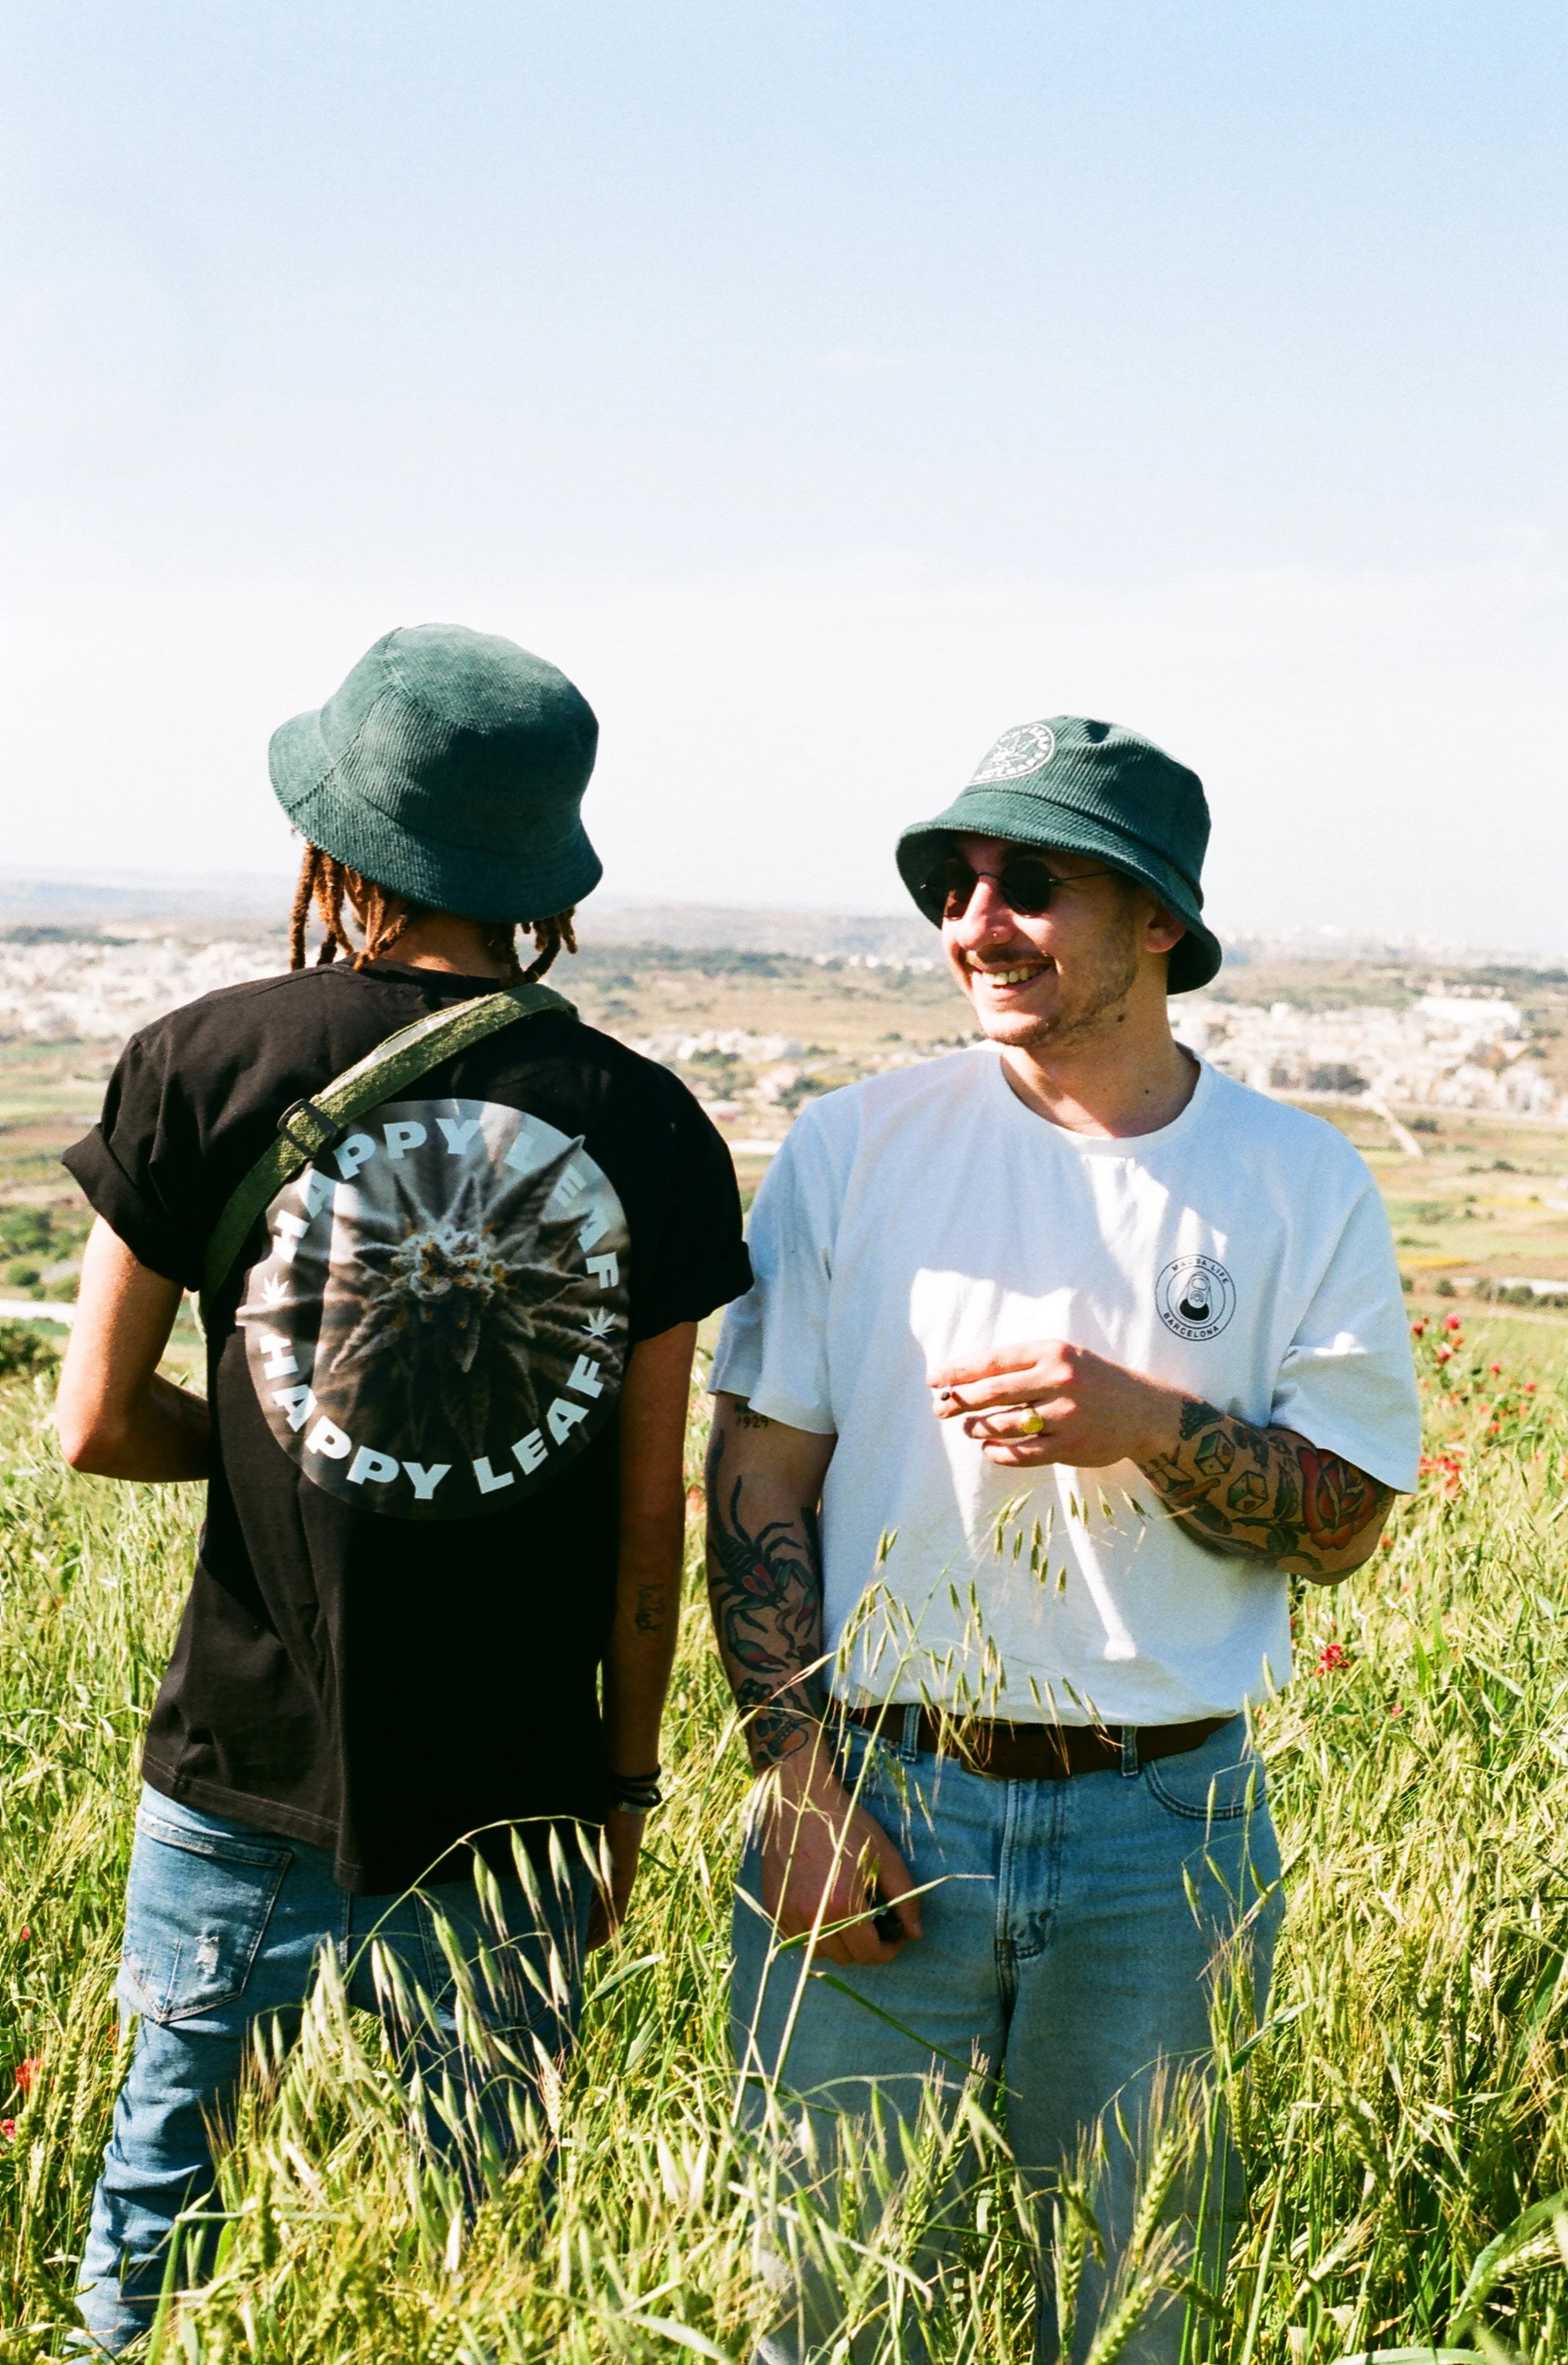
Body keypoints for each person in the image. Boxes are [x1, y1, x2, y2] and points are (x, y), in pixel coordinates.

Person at [56, 622, 751, 2351]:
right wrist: (627, 1791)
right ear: (538, 873)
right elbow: (643, 1525)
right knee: (475, 2243)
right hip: (513, 1789)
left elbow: (86, 1423)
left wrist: (300, 1430)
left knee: (162, 2208)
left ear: (337, 841)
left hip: (241, 1764)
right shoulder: (647, 1121)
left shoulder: (199, 1058)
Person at [705, 716, 1420, 2361]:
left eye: (1028, 885)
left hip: (1158, 1836)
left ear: (1156, 921)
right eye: (950, 886)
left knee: (1125, 2314)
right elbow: (757, 1475)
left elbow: (1340, 1529)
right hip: (873, 1795)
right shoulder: (855, 1146)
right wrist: (793, 1784)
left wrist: (1149, 1427)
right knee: (823, 2309)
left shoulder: (1294, 1183)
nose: (976, 923)